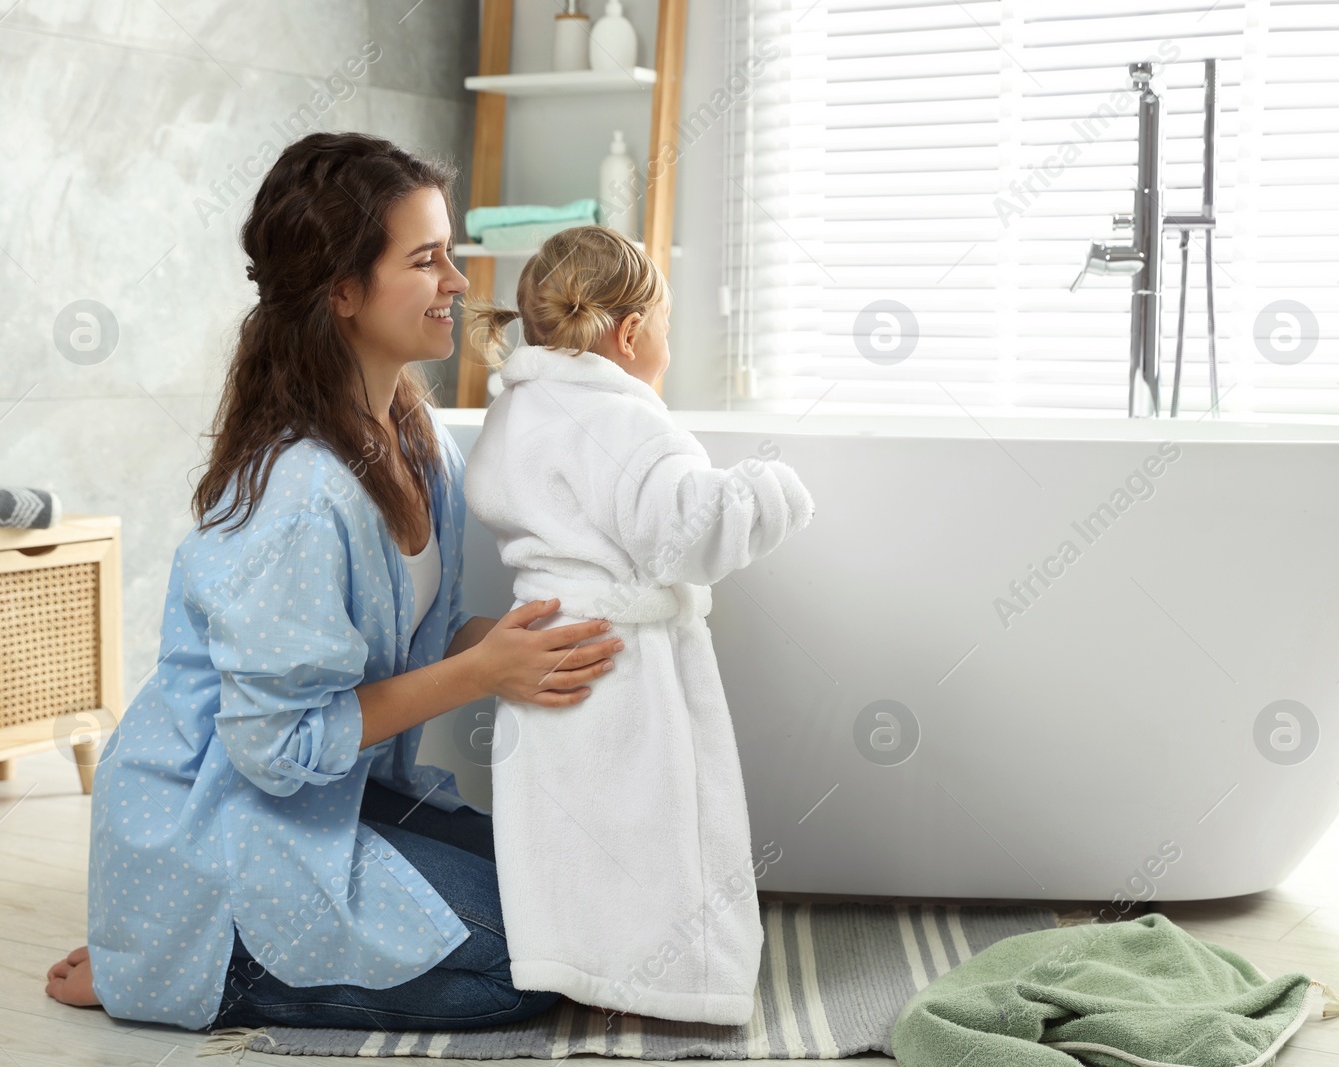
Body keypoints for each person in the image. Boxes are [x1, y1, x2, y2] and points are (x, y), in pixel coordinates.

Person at [43, 132, 627, 1032]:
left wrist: (532, 638)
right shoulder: (301, 495)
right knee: (525, 971)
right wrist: (483, 672)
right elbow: (271, 749)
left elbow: (421, 639)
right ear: (343, 293)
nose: (459, 283)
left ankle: (158, 939)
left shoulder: (418, 437)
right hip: (226, 830)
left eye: (452, 256)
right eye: (426, 260)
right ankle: (194, 953)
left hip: (340, 798)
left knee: (578, 908)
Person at [461, 226, 816, 1024]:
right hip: (624, 667)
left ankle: (579, 966)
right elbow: (687, 534)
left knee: (568, 833)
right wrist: (770, 488)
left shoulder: (517, 412)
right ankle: (673, 985)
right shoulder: (628, 424)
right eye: (664, 326)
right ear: (629, 333)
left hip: (544, 658)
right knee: (657, 835)